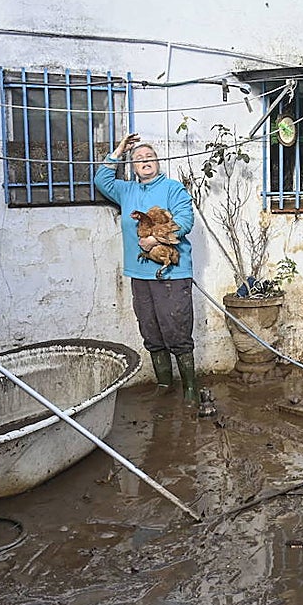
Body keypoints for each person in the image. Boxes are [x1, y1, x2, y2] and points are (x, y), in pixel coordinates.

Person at [95, 134, 200, 404]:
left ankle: (190, 388)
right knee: (151, 330)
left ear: (158, 162)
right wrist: (119, 149)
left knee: (176, 328)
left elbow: (185, 220)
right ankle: (164, 383)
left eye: (149, 156)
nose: (144, 160)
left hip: (171, 274)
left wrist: (156, 238)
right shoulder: (127, 190)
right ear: (132, 166)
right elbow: (101, 180)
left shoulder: (172, 188)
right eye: (138, 158)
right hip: (139, 274)